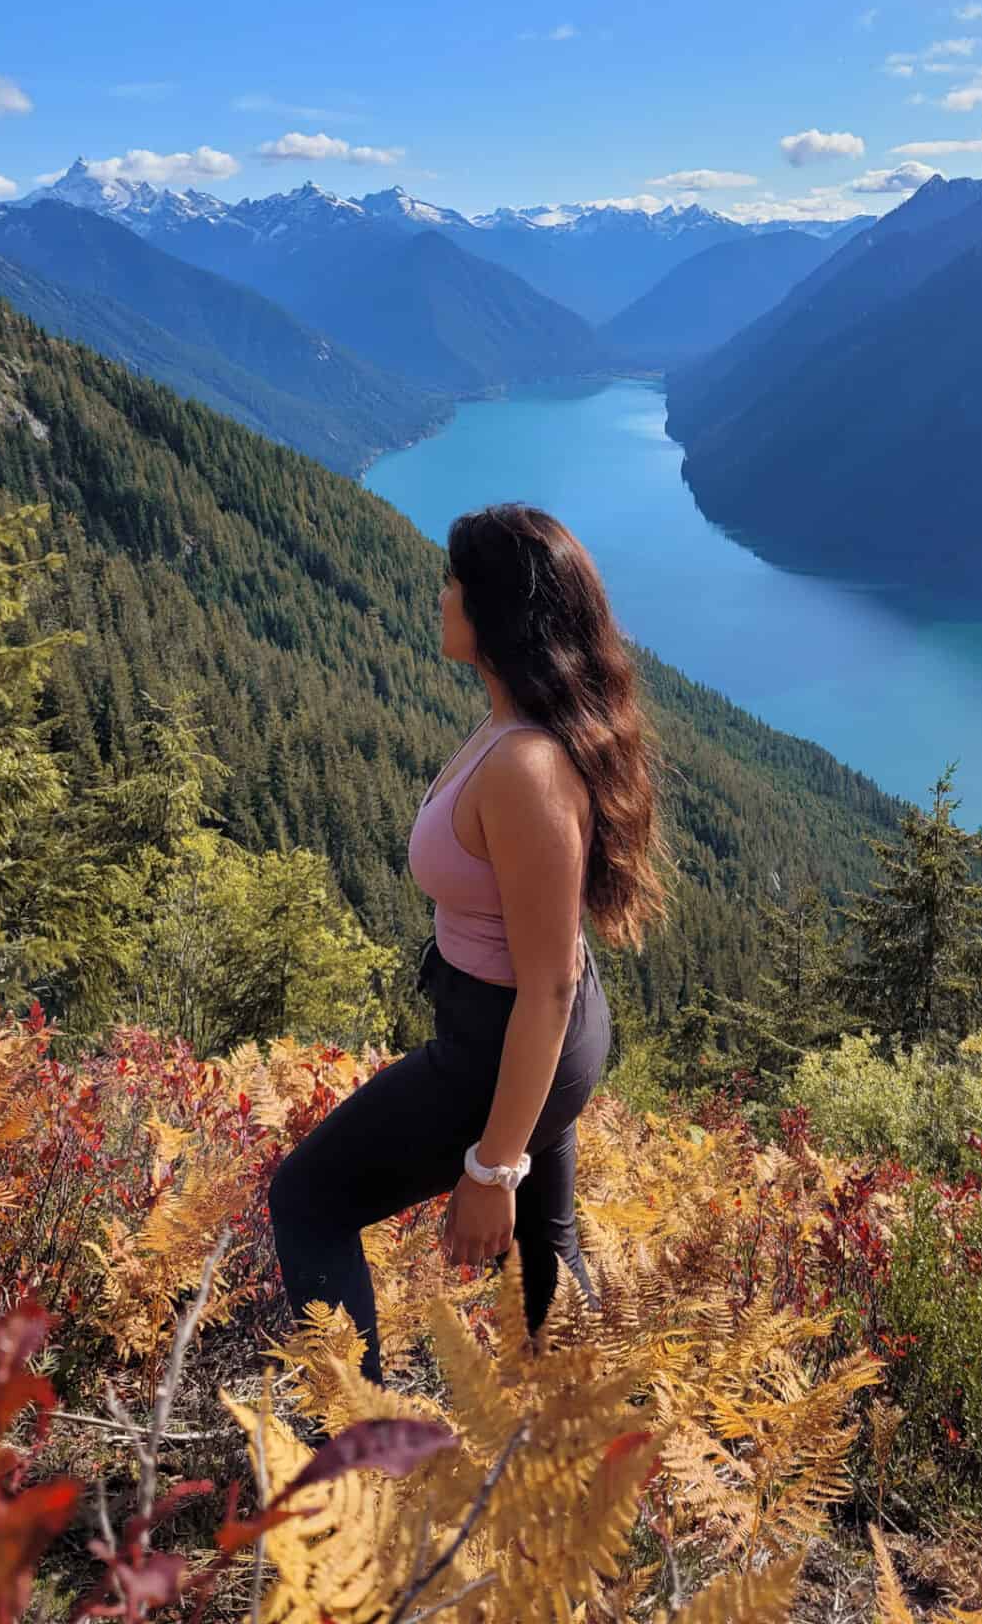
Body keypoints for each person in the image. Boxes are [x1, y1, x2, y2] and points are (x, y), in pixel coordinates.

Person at [267, 502, 671, 1385]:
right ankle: (592, 1446)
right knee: (547, 1262)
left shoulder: (528, 768)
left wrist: (493, 1166)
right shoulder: (511, 720)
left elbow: (548, 989)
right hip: (524, 1030)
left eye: (454, 580)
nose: (439, 594)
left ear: (494, 611)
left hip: (510, 1040)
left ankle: (358, 1447)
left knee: (309, 1198)